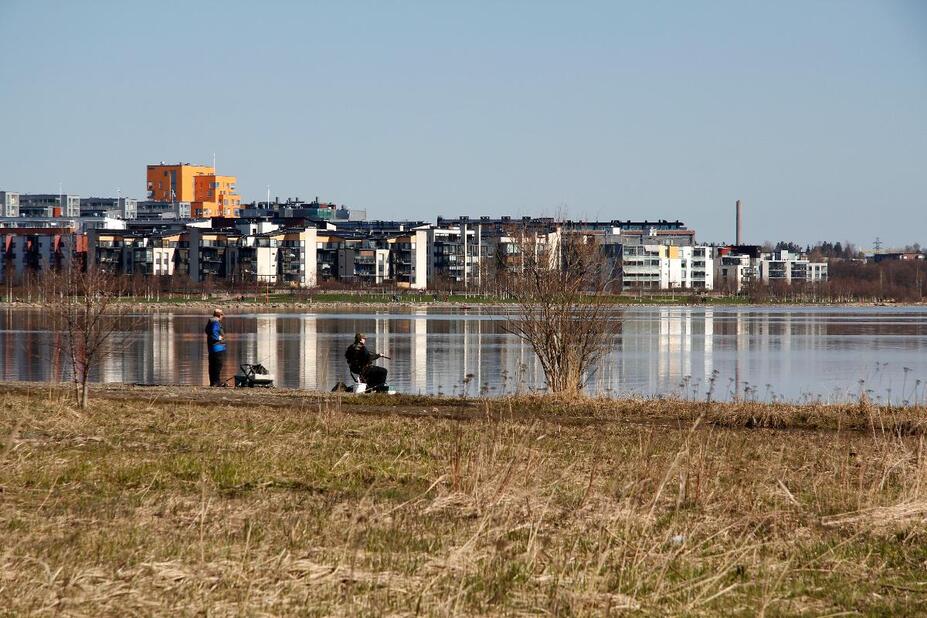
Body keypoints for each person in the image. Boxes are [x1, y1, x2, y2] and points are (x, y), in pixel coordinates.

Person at [205, 308, 226, 387]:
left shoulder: (210, 321)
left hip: (211, 348)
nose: (223, 316)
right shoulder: (215, 322)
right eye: (222, 315)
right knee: (217, 365)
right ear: (219, 315)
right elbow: (214, 332)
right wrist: (218, 338)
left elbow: (207, 331)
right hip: (218, 347)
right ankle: (216, 382)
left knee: (212, 365)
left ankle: (213, 382)